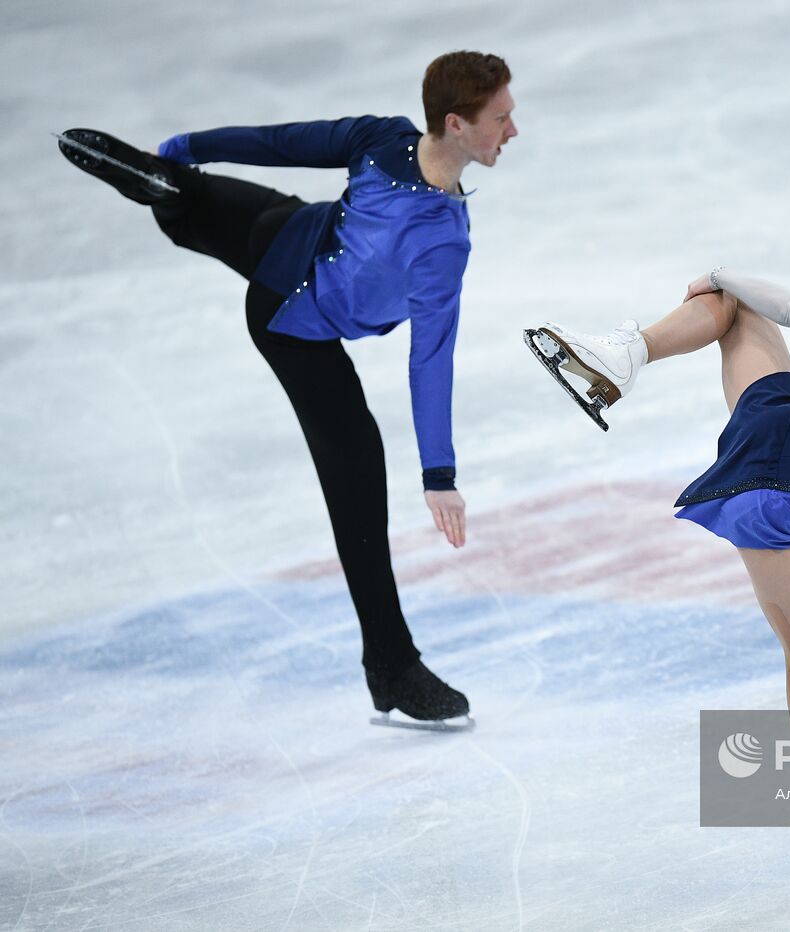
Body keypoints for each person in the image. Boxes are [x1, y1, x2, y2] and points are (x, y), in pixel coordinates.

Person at [57, 50, 519, 730]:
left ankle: (169, 182)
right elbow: (431, 359)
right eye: (502, 118)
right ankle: (390, 666)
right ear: (457, 124)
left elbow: (284, 142)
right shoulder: (441, 239)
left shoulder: (381, 138)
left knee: (202, 206)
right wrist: (438, 472)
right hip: (293, 321)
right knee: (356, 472)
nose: (512, 131)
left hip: (289, 233)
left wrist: (190, 147)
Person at [527, 254, 790, 875]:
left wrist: (722, 276)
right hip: (773, 492)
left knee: (741, 307)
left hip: (779, 442)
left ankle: (626, 357)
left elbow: (785, 306)